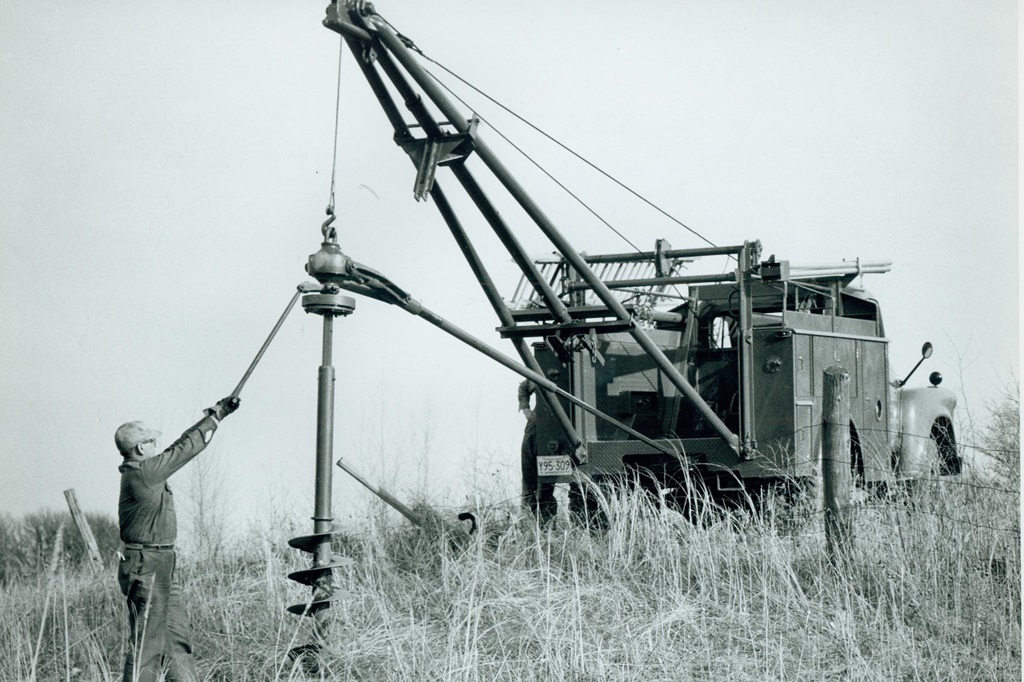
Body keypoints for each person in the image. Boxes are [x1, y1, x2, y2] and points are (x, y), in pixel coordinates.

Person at [115, 395, 240, 682]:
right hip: (147, 565)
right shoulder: (144, 473)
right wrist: (216, 416)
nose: (157, 447)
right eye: (152, 442)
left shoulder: (145, 471)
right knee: (148, 647)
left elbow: (175, 449)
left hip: (160, 562)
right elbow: (184, 449)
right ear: (140, 447)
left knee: (177, 641)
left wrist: (215, 415)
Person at [518, 380, 557, 523]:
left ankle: (546, 527)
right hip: (537, 426)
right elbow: (524, 386)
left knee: (545, 489)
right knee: (530, 485)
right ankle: (532, 527)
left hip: (559, 429)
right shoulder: (542, 373)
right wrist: (526, 410)